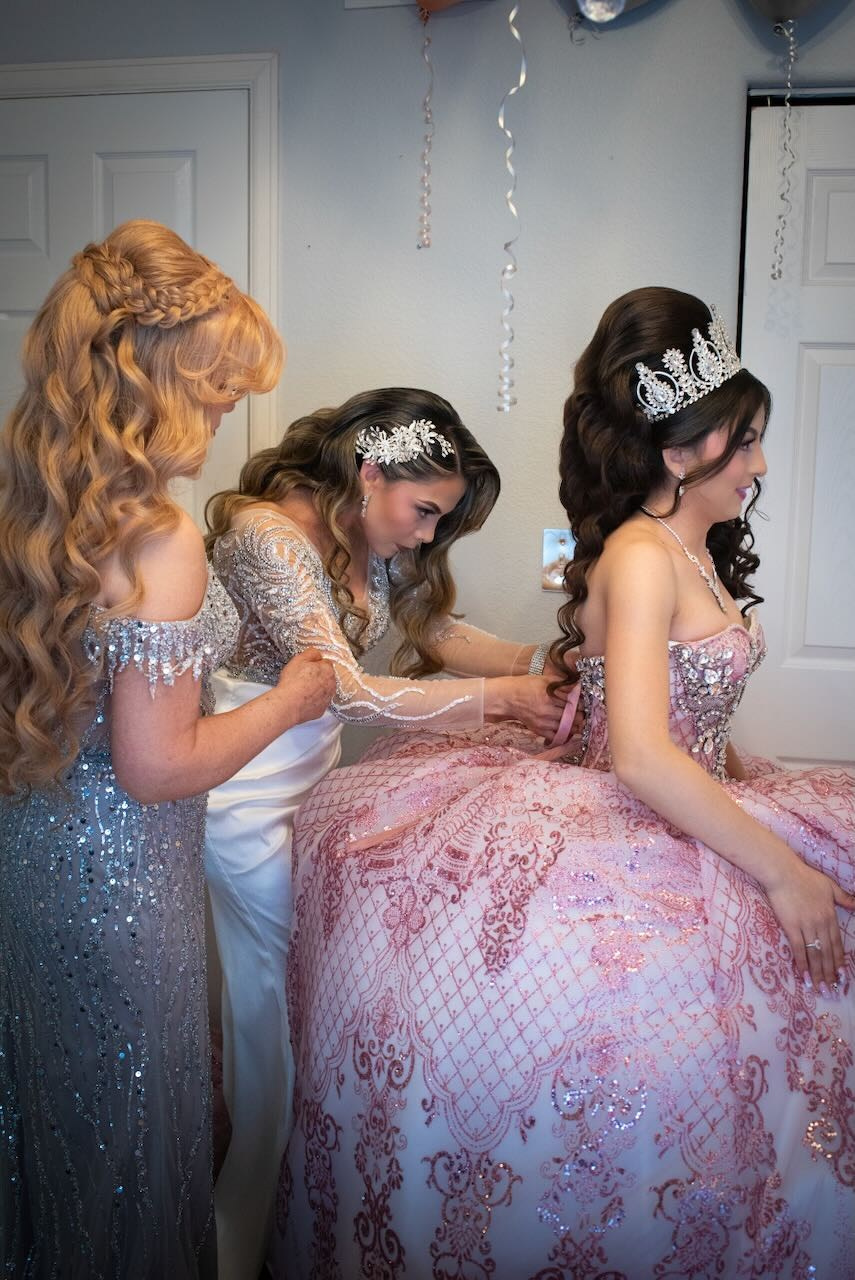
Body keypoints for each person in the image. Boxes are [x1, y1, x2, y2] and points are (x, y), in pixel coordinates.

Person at [273, 290, 855, 1278]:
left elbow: (686, 718)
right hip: (623, 816)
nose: (759, 464)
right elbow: (642, 755)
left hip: (693, 798)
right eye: (747, 440)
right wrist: (779, 870)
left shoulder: (686, 547)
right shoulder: (640, 556)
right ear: (680, 450)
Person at [0, 220, 334, 1280]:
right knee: (126, 1137)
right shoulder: (159, 536)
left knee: (52, 1117)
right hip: (120, 889)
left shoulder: (27, 502)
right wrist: (291, 700)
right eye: (221, 385)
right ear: (159, 376)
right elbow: (159, 765)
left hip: (29, 859)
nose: (232, 407)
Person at [203, 386, 570, 1280]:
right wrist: (502, 700)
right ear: (369, 473)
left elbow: (435, 629)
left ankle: (289, 1215)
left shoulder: (359, 533)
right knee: (271, 1018)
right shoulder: (267, 535)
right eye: (424, 511)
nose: (424, 536)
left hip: (311, 791)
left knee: (311, 1004)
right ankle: (237, 1237)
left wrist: (548, 664)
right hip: (245, 799)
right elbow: (348, 690)